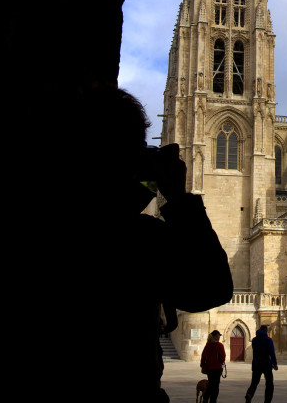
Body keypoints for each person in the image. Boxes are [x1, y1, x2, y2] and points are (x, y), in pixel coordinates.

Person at [67, 85, 234, 403]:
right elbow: (212, 288)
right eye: (140, 150)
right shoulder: (138, 239)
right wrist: (176, 195)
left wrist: (144, 183)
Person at [245, 325, 278, 403]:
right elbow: (271, 352)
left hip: (256, 363)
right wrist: (275, 363)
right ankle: (267, 400)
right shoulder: (268, 340)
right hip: (266, 363)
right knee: (269, 384)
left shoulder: (254, 340)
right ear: (266, 331)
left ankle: (249, 394)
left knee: (254, 382)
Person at [201, 330, 226, 403]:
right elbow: (222, 357)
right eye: (219, 335)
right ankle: (213, 400)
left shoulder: (208, 345)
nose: (219, 337)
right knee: (216, 386)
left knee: (210, 384)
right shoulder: (219, 345)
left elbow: (203, 356)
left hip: (209, 368)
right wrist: (221, 362)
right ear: (216, 336)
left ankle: (205, 398)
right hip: (217, 368)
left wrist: (203, 365)